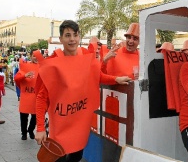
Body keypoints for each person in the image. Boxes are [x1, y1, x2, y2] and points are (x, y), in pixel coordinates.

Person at [34, 20, 131, 162]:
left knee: (76, 156)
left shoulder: (86, 55)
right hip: (59, 125)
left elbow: (96, 76)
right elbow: (42, 97)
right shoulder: (53, 61)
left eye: (75, 34)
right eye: (67, 35)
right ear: (61, 39)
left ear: (79, 37)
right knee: (57, 158)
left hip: (79, 123)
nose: (72, 39)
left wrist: (116, 79)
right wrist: (41, 127)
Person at [14, 50, 39, 140]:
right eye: (34, 56)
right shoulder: (25, 66)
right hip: (26, 96)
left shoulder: (43, 67)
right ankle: (24, 133)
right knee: (24, 116)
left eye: (37, 56)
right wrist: (25, 75)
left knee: (35, 116)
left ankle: (31, 130)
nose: (35, 58)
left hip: (36, 97)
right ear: (31, 56)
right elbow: (16, 78)